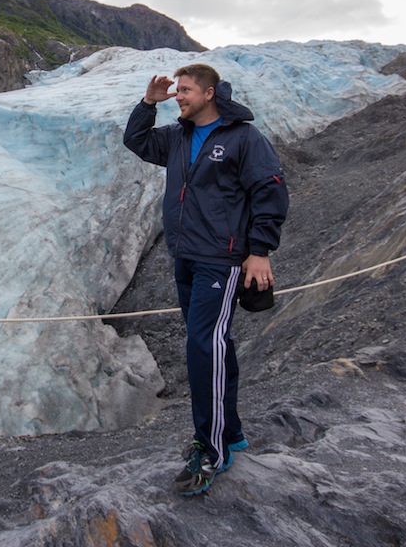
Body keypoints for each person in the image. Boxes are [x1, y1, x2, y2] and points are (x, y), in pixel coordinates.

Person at [123, 63, 289, 495]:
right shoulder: (177, 137)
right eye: (177, 90)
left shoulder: (243, 138)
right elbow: (136, 141)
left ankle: (211, 448)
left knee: (203, 346)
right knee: (214, 344)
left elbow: (270, 190)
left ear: (210, 93)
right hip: (187, 256)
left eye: (186, 90)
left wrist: (259, 251)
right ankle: (229, 433)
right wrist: (147, 103)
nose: (179, 96)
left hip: (221, 258)